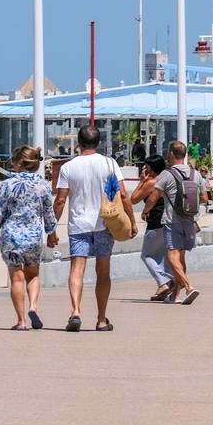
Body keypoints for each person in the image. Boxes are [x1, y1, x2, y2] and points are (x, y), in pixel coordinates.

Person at [55, 125, 136, 332]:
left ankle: (75, 311)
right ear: (98, 143)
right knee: (103, 271)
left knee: (77, 269)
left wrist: (51, 228)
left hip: (78, 225)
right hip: (104, 223)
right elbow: (124, 196)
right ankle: (101, 319)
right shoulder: (109, 164)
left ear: (78, 143)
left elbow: (61, 201)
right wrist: (132, 221)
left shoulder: (68, 167)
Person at [0, 146, 59, 330]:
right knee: (33, 275)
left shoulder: (7, 185)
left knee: (17, 278)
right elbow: (48, 213)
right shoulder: (42, 185)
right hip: (34, 236)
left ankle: (21, 322)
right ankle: (33, 307)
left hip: (11, 236)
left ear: (20, 162)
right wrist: (52, 234)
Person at [141, 140, 202, 305]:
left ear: (172, 154)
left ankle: (188, 287)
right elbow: (203, 197)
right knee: (181, 258)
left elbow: (154, 196)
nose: (167, 156)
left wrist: (146, 211)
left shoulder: (167, 174)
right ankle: (176, 296)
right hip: (190, 221)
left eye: (168, 153)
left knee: (172, 256)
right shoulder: (195, 174)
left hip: (172, 220)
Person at [130, 155, 174, 302]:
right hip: (169, 221)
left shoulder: (151, 182)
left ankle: (163, 283)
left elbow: (133, 199)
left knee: (147, 255)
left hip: (155, 222)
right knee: (162, 255)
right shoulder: (167, 178)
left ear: (152, 168)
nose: (144, 168)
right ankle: (167, 283)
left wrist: (141, 181)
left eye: (146, 166)